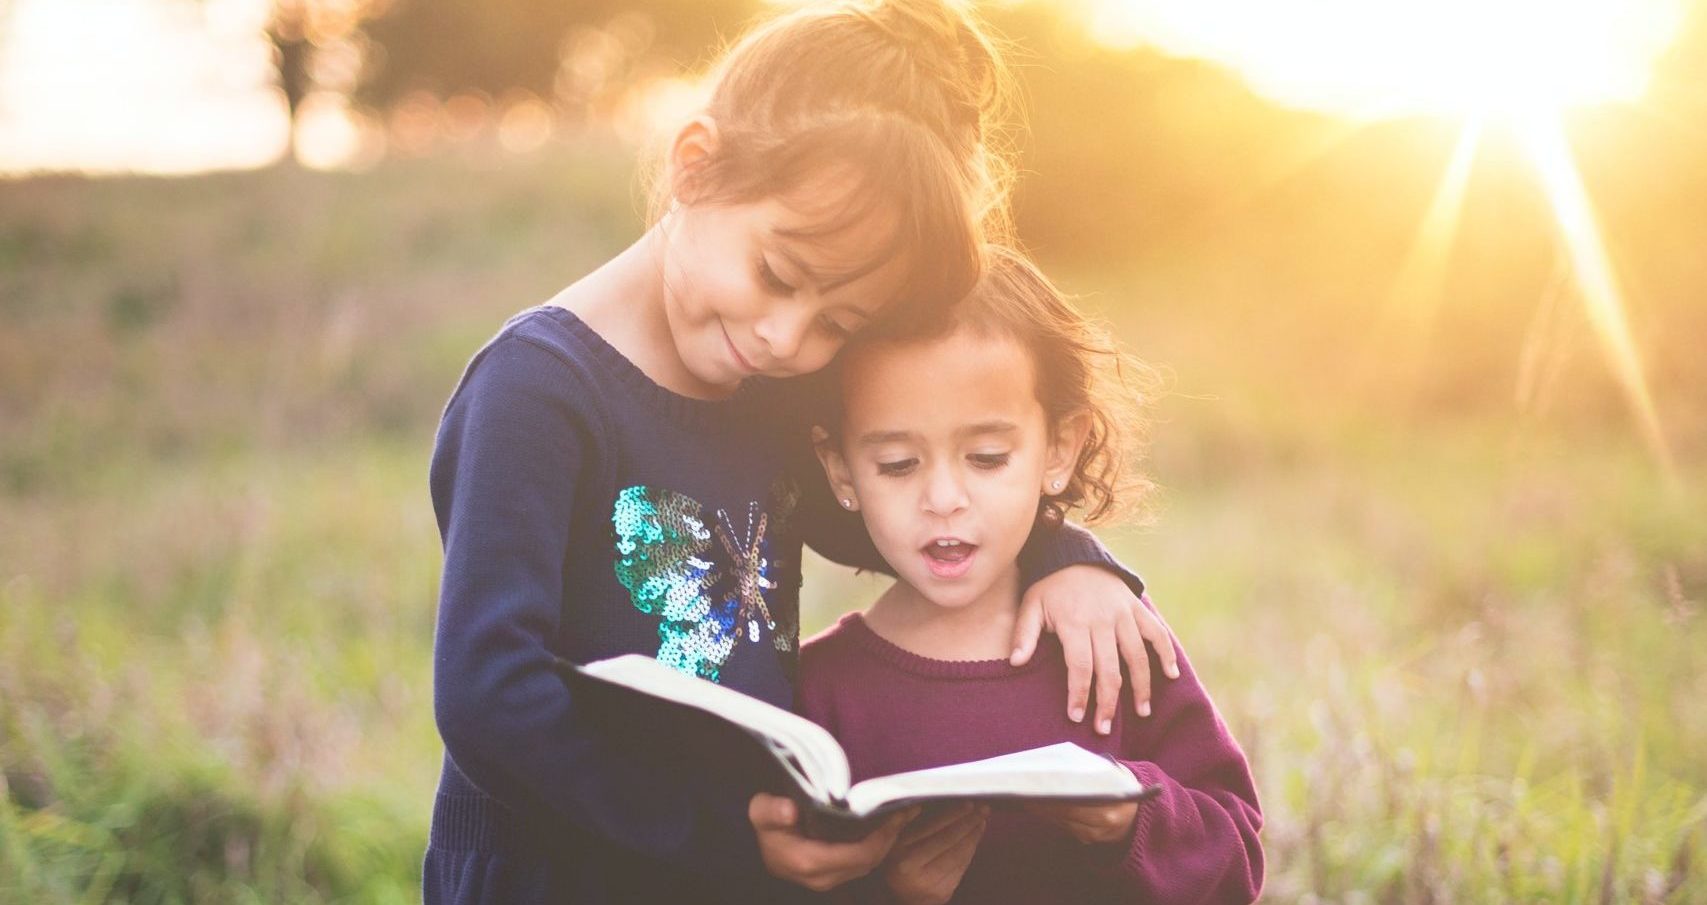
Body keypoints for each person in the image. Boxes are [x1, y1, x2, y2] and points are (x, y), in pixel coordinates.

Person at [421, 2, 1178, 902]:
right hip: (554, 870)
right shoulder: (538, 392)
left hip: (731, 871)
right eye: (777, 276)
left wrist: (1067, 558)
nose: (787, 337)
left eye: (838, 323)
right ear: (694, 166)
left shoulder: (763, 390)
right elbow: (487, 696)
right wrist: (721, 835)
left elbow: (902, 523)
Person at [800, 247, 1264, 905]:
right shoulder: (822, 690)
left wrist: (1127, 819)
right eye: (898, 463)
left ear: (1059, 449)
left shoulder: (1109, 634)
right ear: (841, 468)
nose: (942, 497)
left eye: (986, 457)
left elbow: (1236, 856)